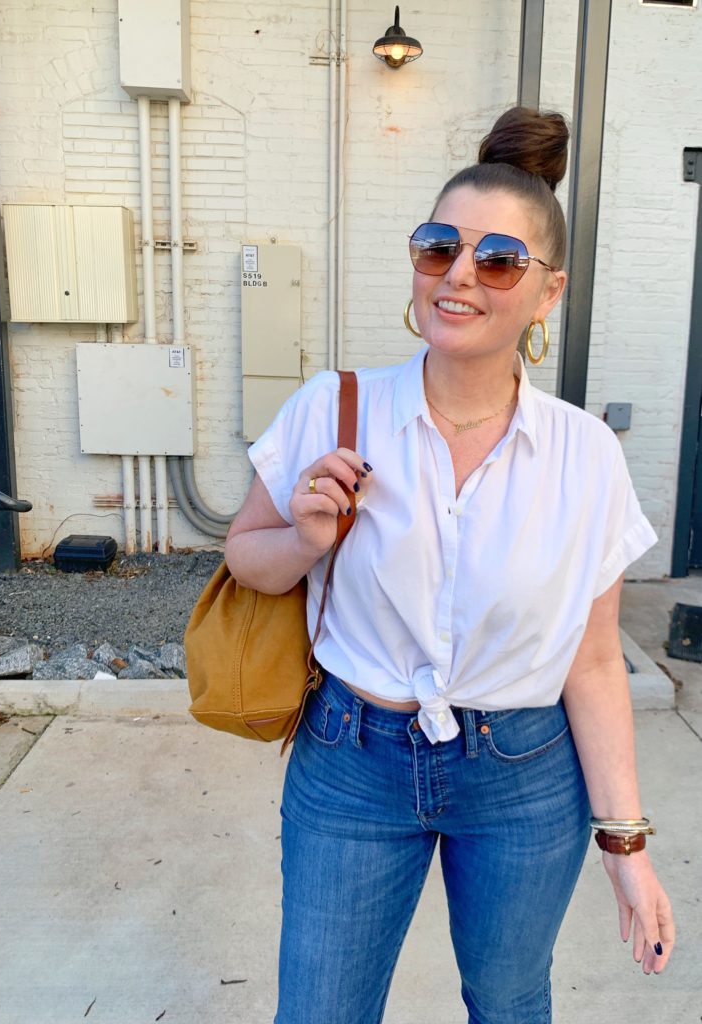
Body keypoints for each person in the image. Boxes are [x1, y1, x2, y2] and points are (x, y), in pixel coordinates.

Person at [224, 106, 675, 1024]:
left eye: (498, 259)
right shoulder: (334, 407)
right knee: (320, 1009)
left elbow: (592, 663)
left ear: (547, 293)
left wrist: (626, 847)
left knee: (509, 1004)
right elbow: (246, 559)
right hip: (352, 761)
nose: (460, 276)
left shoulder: (585, 456)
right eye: (439, 247)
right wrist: (308, 539)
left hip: (522, 773)